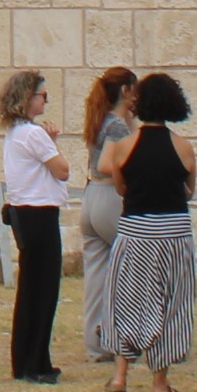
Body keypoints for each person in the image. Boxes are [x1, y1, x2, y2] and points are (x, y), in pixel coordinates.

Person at [90, 72, 197, 392]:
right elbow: (189, 191)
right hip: (174, 234)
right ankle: (160, 382)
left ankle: (120, 376)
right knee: (171, 305)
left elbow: (121, 187)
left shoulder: (124, 146)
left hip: (135, 233)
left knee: (125, 302)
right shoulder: (184, 147)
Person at [0, 69, 69, 386]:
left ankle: (26, 360)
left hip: (22, 213)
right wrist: (54, 145)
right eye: (42, 95)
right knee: (44, 290)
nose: (46, 101)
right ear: (28, 98)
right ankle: (37, 363)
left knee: (30, 290)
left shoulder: (15, 132)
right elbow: (62, 170)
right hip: (40, 214)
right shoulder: (33, 133)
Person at [70, 64, 139, 356]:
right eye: (134, 91)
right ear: (125, 91)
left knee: (96, 274)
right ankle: (128, 337)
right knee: (134, 265)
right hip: (110, 197)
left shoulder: (100, 121)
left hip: (91, 198)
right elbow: (106, 164)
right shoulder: (117, 126)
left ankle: (95, 345)